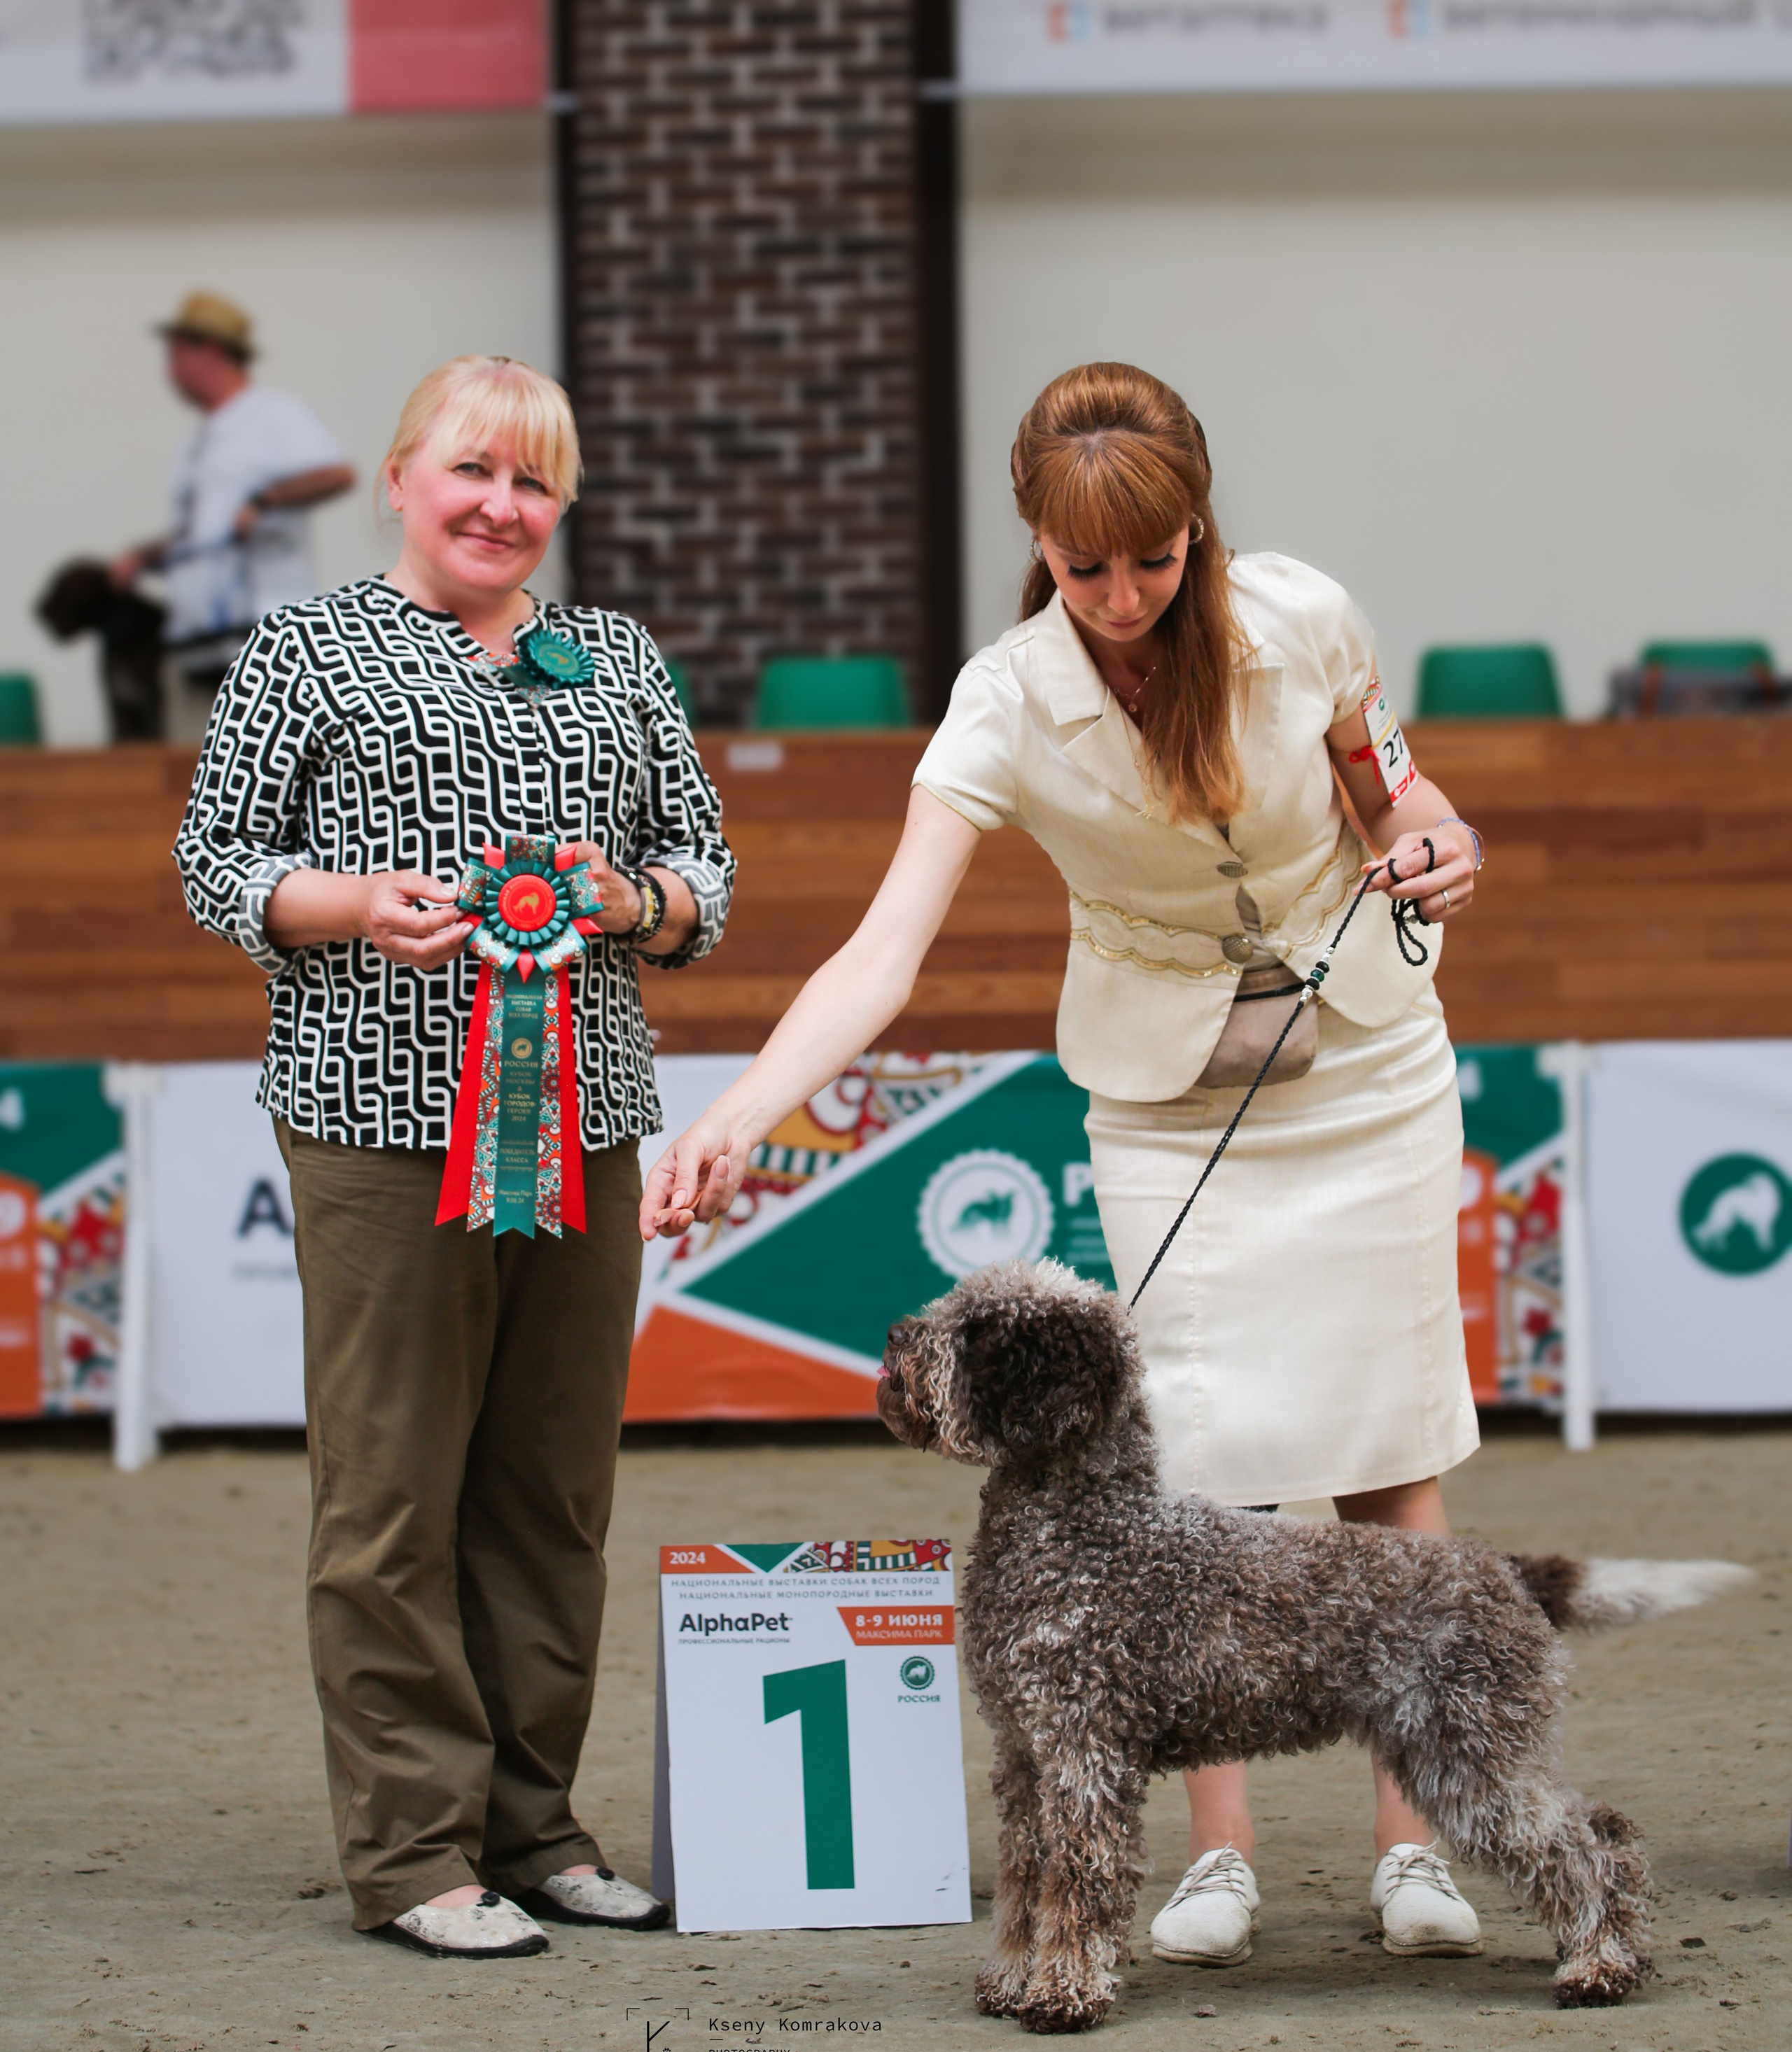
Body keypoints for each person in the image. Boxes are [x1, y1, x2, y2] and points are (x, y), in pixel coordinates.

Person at [640, 361, 1490, 1970]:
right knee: (1190, 1456)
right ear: (1034, 534)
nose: (1117, 595)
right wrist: (740, 1109)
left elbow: (1400, 796)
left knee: (1391, 1447)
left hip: (1367, 1065)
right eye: (1082, 562)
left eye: (1150, 558)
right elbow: (882, 949)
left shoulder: (1301, 617)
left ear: (1195, 525)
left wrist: (1440, 841)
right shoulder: (1002, 698)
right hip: (1166, 1097)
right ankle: (1216, 1856)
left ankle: (1412, 1845)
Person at [174, 354, 735, 1960]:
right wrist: (349, 901)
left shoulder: (617, 654)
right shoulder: (300, 645)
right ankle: (414, 1845)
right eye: (475, 470)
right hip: (374, 1119)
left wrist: (631, 901)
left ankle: (534, 1825)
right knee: (392, 1490)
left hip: (585, 1113)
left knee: (551, 1491)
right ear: (402, 476)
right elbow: (216, 859)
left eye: (537, 481)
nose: (505, 504)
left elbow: (702, 858)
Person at [111, 290, 356, 744]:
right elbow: (203, 534)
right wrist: (144, 557)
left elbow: (336, 474)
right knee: (190, 787)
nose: (169, 371)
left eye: (175, 355)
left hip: (260, 642)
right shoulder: (198, 441)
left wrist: (263, 502)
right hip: (197, 646)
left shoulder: (272, 416)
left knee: (262, 788)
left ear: (208, 350)